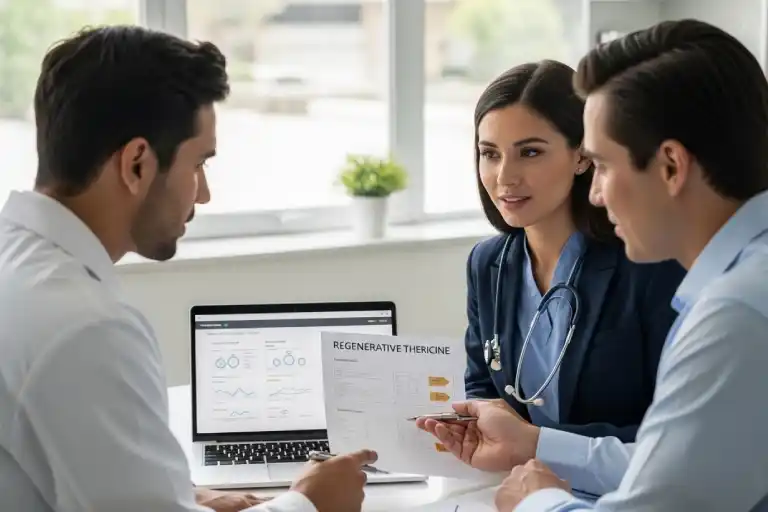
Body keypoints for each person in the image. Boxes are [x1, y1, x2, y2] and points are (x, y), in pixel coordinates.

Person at [0, 25, 375, 512]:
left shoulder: (18, 265)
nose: (203, 193)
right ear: (136, 163)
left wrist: (180, 497)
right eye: (198, 163)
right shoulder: (87, 328)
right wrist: (309, 503)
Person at [419, 18, 768, 511]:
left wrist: (538, 501)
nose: (598, 193)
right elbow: (668, 463)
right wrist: (533, 445)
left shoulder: (735, 314)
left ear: (671, 166)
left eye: (602, 164)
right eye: (489, 154)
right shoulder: (736, 288)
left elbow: (656, 498)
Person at [463, 59, 684, 450]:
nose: (504, 177)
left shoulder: (648, 264)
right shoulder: (488, 264)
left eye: (529, 152)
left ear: (582, 156)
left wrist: (538, 444)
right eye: (490, 154)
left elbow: (676, 431)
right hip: (521, 486)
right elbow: (482, 385)